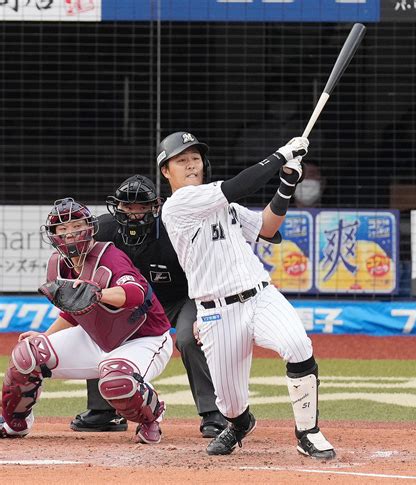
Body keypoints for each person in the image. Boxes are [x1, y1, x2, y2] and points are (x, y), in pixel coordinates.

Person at [158, 131, 336, 459]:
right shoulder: (177, 207)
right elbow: (238, 186)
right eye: (181, 161)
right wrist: (282, 155)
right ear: (166, 171)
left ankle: (307, 432)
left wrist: (286, 184)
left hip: (259, 294)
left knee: (297, 344)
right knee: (229, 402)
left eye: (195, 158)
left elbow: (267, 229)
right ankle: (240, 423)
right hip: (216, 311)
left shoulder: (223, 206)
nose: (191, 165)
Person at [0, 197, 173, 444]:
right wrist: (45, 336)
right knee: (28, 354)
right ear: (53, 234)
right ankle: (15, 423)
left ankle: (152, 416)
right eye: (63, 228)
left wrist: (99, 293)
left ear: (90, 228)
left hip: (143, 338)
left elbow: (136, 294)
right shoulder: (60, 266)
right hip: (97, 338)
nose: (70, 233)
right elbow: (73, 312)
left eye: (76, 225)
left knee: (117, 380)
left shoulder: (109, 256)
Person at [70, 176, 227, 438]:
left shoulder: (174, 230)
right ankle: (103, 411)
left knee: (189, 339)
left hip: (181, 298)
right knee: (98, 324)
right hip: (132, 303)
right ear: (116, 207)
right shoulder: (104, 230)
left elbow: (204, 269)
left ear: (155, 206)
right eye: (127, 207)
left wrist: (206, 309)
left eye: (140, 207)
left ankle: (213, 413)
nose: (133, 214)